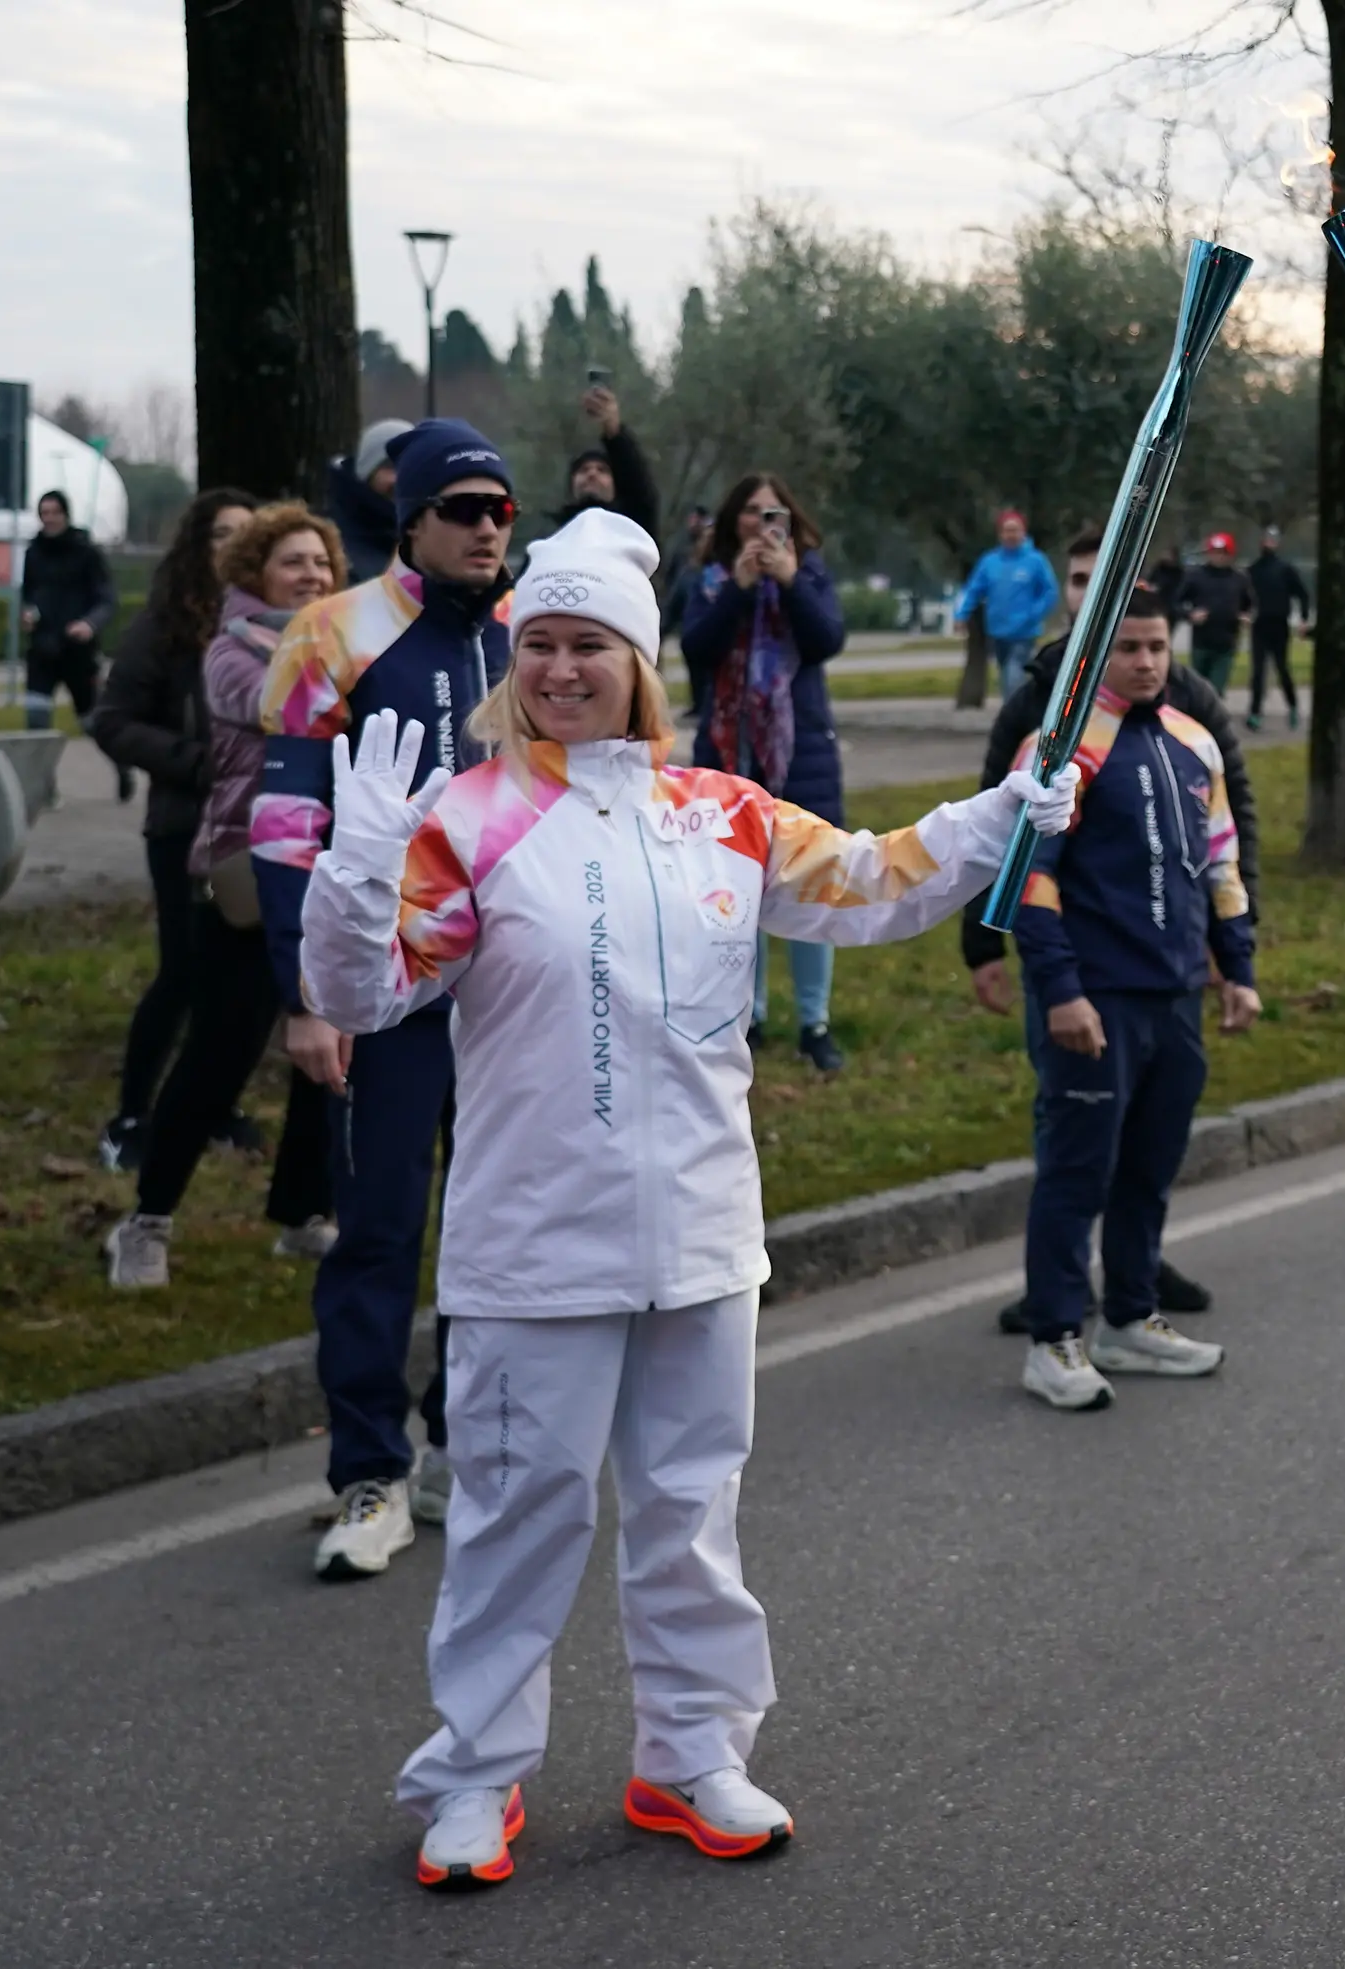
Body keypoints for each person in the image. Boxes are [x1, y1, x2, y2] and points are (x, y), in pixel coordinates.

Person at [297, 509, 1073, 1890]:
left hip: (702, 1236)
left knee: (689, 1509)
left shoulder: (717, 810)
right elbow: (368, 1000)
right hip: (534, 1246)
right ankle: (475, 1777)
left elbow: (871, 883)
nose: (558, 667)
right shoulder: (465, 819)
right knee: (516, 1515)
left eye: (587, 642)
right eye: (537, 641)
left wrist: (994, 821)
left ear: (638, 661)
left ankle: (691, 1754)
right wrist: (354, 883)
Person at [256, 417, 519, 1580]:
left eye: (503, 510)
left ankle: (460, 1441)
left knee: (496, 1224)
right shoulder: (334, 632)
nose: (487, 529)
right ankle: (368, 1466)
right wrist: (312, 996)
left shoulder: (531, 636)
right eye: (463, 508)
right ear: (409, 514)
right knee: (378, 1229)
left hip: (514, 987)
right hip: (387, 988)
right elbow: (283, 829)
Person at [960, 526, 1251, 1331]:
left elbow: (1221, 855)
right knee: (1077, 1167)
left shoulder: (1194, 736)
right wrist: (1047, 981)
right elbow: (1021, 865)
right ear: (1094, 650)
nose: (1148, 662)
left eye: (1157, 646)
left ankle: (1131, 1314)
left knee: (1147, 1169)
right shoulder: (1054, 742)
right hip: (1091, 991)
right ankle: (1053, 1328)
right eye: (1128, 648)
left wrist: (1238, 962)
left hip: (1174, 990)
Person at [102, 504, 350, 1288]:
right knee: (220, 1055)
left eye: (321, 563)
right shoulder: (233, 649)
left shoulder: (343, 643)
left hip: (331, 869)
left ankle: (302, 1213)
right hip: (247, 875)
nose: (311, 575)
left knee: (330, 1050)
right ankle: (146, 1221)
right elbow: (291, 706)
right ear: (253, 574)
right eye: (292, 563)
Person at [87, 486, 257, 1172]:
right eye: (222, 534)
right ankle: (131, 1113)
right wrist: (196, 764)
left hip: (257, 826)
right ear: (197, 545)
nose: (236, 546)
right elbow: (113, 720)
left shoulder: (282, 626)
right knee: (183, 973)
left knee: (239, 981)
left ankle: (214, 1105)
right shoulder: (165, 626)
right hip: (184, 825)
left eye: (250, 534)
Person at [684, 474, 850, 1070]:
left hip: (799, 751)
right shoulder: (711, 580)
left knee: (808, 885)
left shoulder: (808, 572)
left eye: (771, 511)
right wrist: (741, 589)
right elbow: (695, 651)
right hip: (730, 756)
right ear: (733, 522)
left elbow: (828, 637)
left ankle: (815, 1020)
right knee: (735, 890)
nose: (760, 523)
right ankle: (746, 1014)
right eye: (750, 513)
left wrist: (786, 580)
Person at [19, 490, 116, 771]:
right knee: (36, 722)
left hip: (78, 652)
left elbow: (106, 598)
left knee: (90, 722)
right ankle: (42, 786)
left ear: (66, 515)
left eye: (54, 513)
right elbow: (28, 593)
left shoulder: (87, 552)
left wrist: (89, 623)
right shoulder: (33, 553)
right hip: (42, 650)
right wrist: (27, 613)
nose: (48, 519)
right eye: (43, 513)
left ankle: (120, 767)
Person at [953, 509, 1057, 699]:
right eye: (1007, 530)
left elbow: (1050, 592)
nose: (1011, 535)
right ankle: (1018, 710)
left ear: (1023, 532)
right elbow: (973, 590)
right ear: (1000, 534)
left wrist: (1033, 615)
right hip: (998, 631)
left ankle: (1013, 715)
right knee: (1005, 675)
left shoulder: (1035, 561)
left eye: (1015, 530)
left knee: (1014, 674)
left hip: (1024, 632)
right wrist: (961, 615)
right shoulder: (989, 562)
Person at [544, 384, 661, 549]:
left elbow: (640, 488)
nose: (592, 473)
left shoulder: (632, 530)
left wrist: (614, 431)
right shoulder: (551, 540)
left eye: (602, 470)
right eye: (583, 470)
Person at [325, 419, 413, 585]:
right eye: (391, 466)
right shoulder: (328, 539)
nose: (402, 479)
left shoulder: (425, 535)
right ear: (366, 471)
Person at [1243, 523, 1308, 732]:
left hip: (1279, 624)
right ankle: (1255, 712)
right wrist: (1244, 613)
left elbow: (1302, 594)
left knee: (1282, 668)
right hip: (1259, 624)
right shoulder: (1253, 570)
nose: (1268, 542)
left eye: (1272, 539)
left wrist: (1304, 619)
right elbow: (1244, 598)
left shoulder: (1285, 569)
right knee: (1258, 671)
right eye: (1266, 538)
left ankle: (1293, 707)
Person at [1177, 531, 1252, 693]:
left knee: (1215, 689)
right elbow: (1176, 603)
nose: (1219, 557)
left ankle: (1211, 717)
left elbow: (1249, 604)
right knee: (1197, 689)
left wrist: (1245, 616)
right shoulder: (1195, 576)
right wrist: (1190, 615)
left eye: (1223, 553)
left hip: (1227, 642)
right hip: (1202, 641)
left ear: (1230, 555)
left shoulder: (1239, 578)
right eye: (1215, 552)